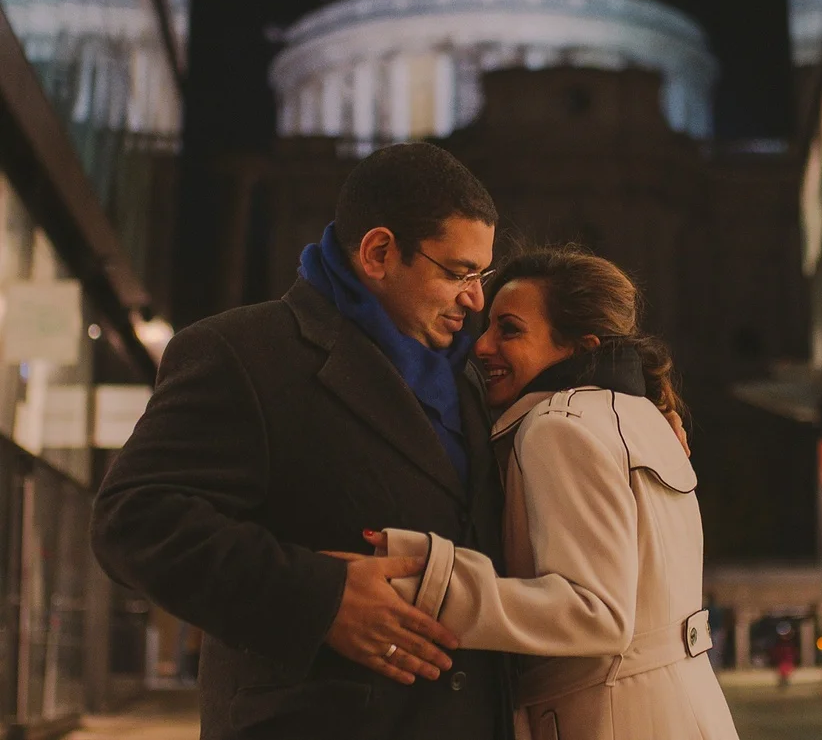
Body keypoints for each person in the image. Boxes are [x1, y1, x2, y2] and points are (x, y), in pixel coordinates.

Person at [91, 143, 513, 740]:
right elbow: (133, 521)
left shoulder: (472, 378)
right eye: (458, 272)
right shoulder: (243, 353)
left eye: (482, 275)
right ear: (379, 252)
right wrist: (320, 599)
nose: (476, 299)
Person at [370, 247, 739, 740]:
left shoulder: (557, 428)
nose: (481, 347)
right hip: (681, 711)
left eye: (510, 330)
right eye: (487, 327)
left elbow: (595, 614)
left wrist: (422, 583)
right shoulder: (642, 416)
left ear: (578, 348)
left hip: (609, 719)